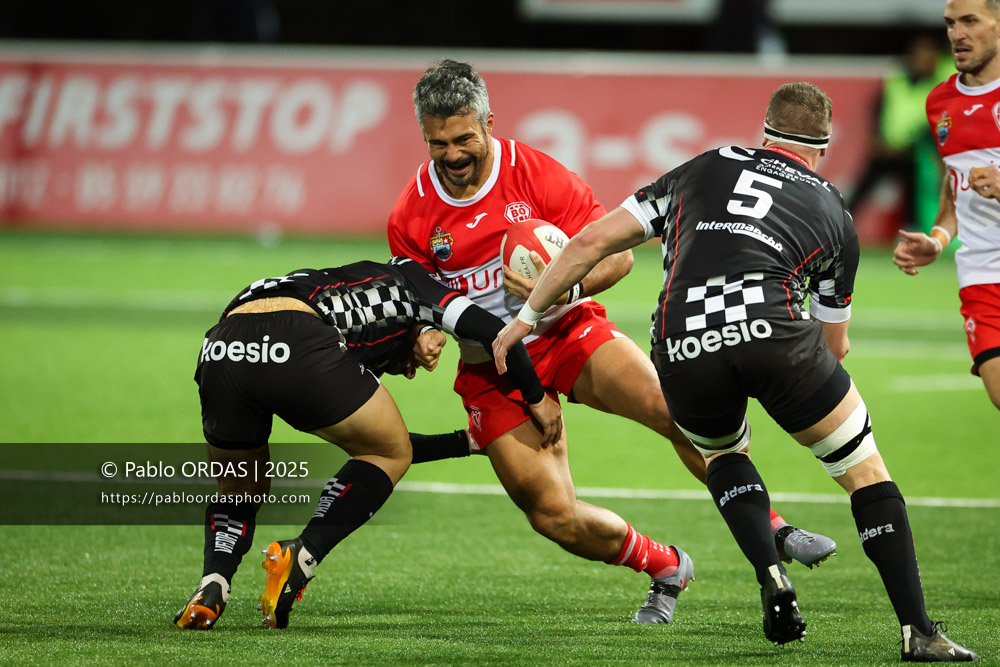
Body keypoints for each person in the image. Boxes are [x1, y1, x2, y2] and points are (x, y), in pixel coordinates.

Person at [493, 82, 979, 661]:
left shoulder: (704, 165)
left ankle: (771, 574)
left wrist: (524, 318)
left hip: (681, 341)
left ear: (765, 132)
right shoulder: (832, 207)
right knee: (864, 471)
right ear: (821, 147)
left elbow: (592, 241)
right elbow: (834, 345)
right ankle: (918, 632)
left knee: (724, 456)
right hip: (777, 336)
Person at [387, 59, 836, 625]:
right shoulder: (411, 214)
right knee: (552, 515)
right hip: (492, 367)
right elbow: (418, 299)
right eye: (437, 143)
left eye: (463, 139)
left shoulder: (538, 175)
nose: (452, 155)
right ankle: (665, 564)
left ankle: (772, 532)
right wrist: (425, 334)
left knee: (677, 413)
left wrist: (556, 290)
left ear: (489, 123)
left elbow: (618, 254)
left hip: (569, 334)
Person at [174, 256, 562, 630]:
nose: (409, 373)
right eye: (411, 364)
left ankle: (213, 584)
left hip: (221, 347)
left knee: (240, 483)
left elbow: (378, 444)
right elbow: (496, 330)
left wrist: (464, 442)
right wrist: (536, 398)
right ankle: (302, 557)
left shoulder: (339, 285)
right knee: (387, 452)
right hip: (297, 339)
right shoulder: (413, 281)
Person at [894, 0, 1000, 413]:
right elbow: (954, 183)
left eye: (970, 21)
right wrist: (938, 238)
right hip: (982, 272)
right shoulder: (940, 101)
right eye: (951, 24)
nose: (957, 34)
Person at [849, 33, 952, 238]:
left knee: (912, 199)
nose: (925, 60)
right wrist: (877, 137)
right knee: (861, 191)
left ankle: (909, 238)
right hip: (886, 148)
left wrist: (912, 145)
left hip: (912, 152)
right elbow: (878, 107)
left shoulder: (937, 86)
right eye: (921, 55)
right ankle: (838, 228)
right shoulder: (896, 79)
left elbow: (933, 123)